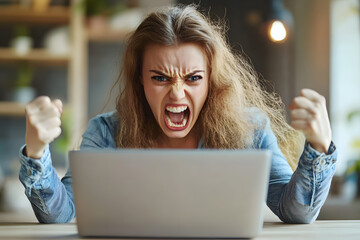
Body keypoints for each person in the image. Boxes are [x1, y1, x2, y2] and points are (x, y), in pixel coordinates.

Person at [19, 5, 337, 224]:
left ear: (212, 80)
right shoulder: (105, 132)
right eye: (160, 78)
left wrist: (319, 147)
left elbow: (295, 212)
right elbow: (62, 213)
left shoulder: (250, 129)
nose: (177, 93)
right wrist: (36, 151)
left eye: (193, 78)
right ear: (139, 80)